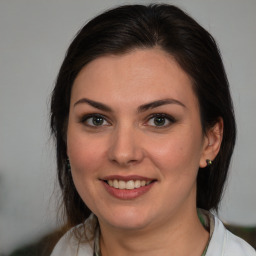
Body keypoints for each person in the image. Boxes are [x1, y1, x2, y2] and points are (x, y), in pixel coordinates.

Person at [49, 4, 255, 256]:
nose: (123, 153)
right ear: (65, 134)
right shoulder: (66, 249)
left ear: (210, 140)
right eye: (96, 120)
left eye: (159, 120)